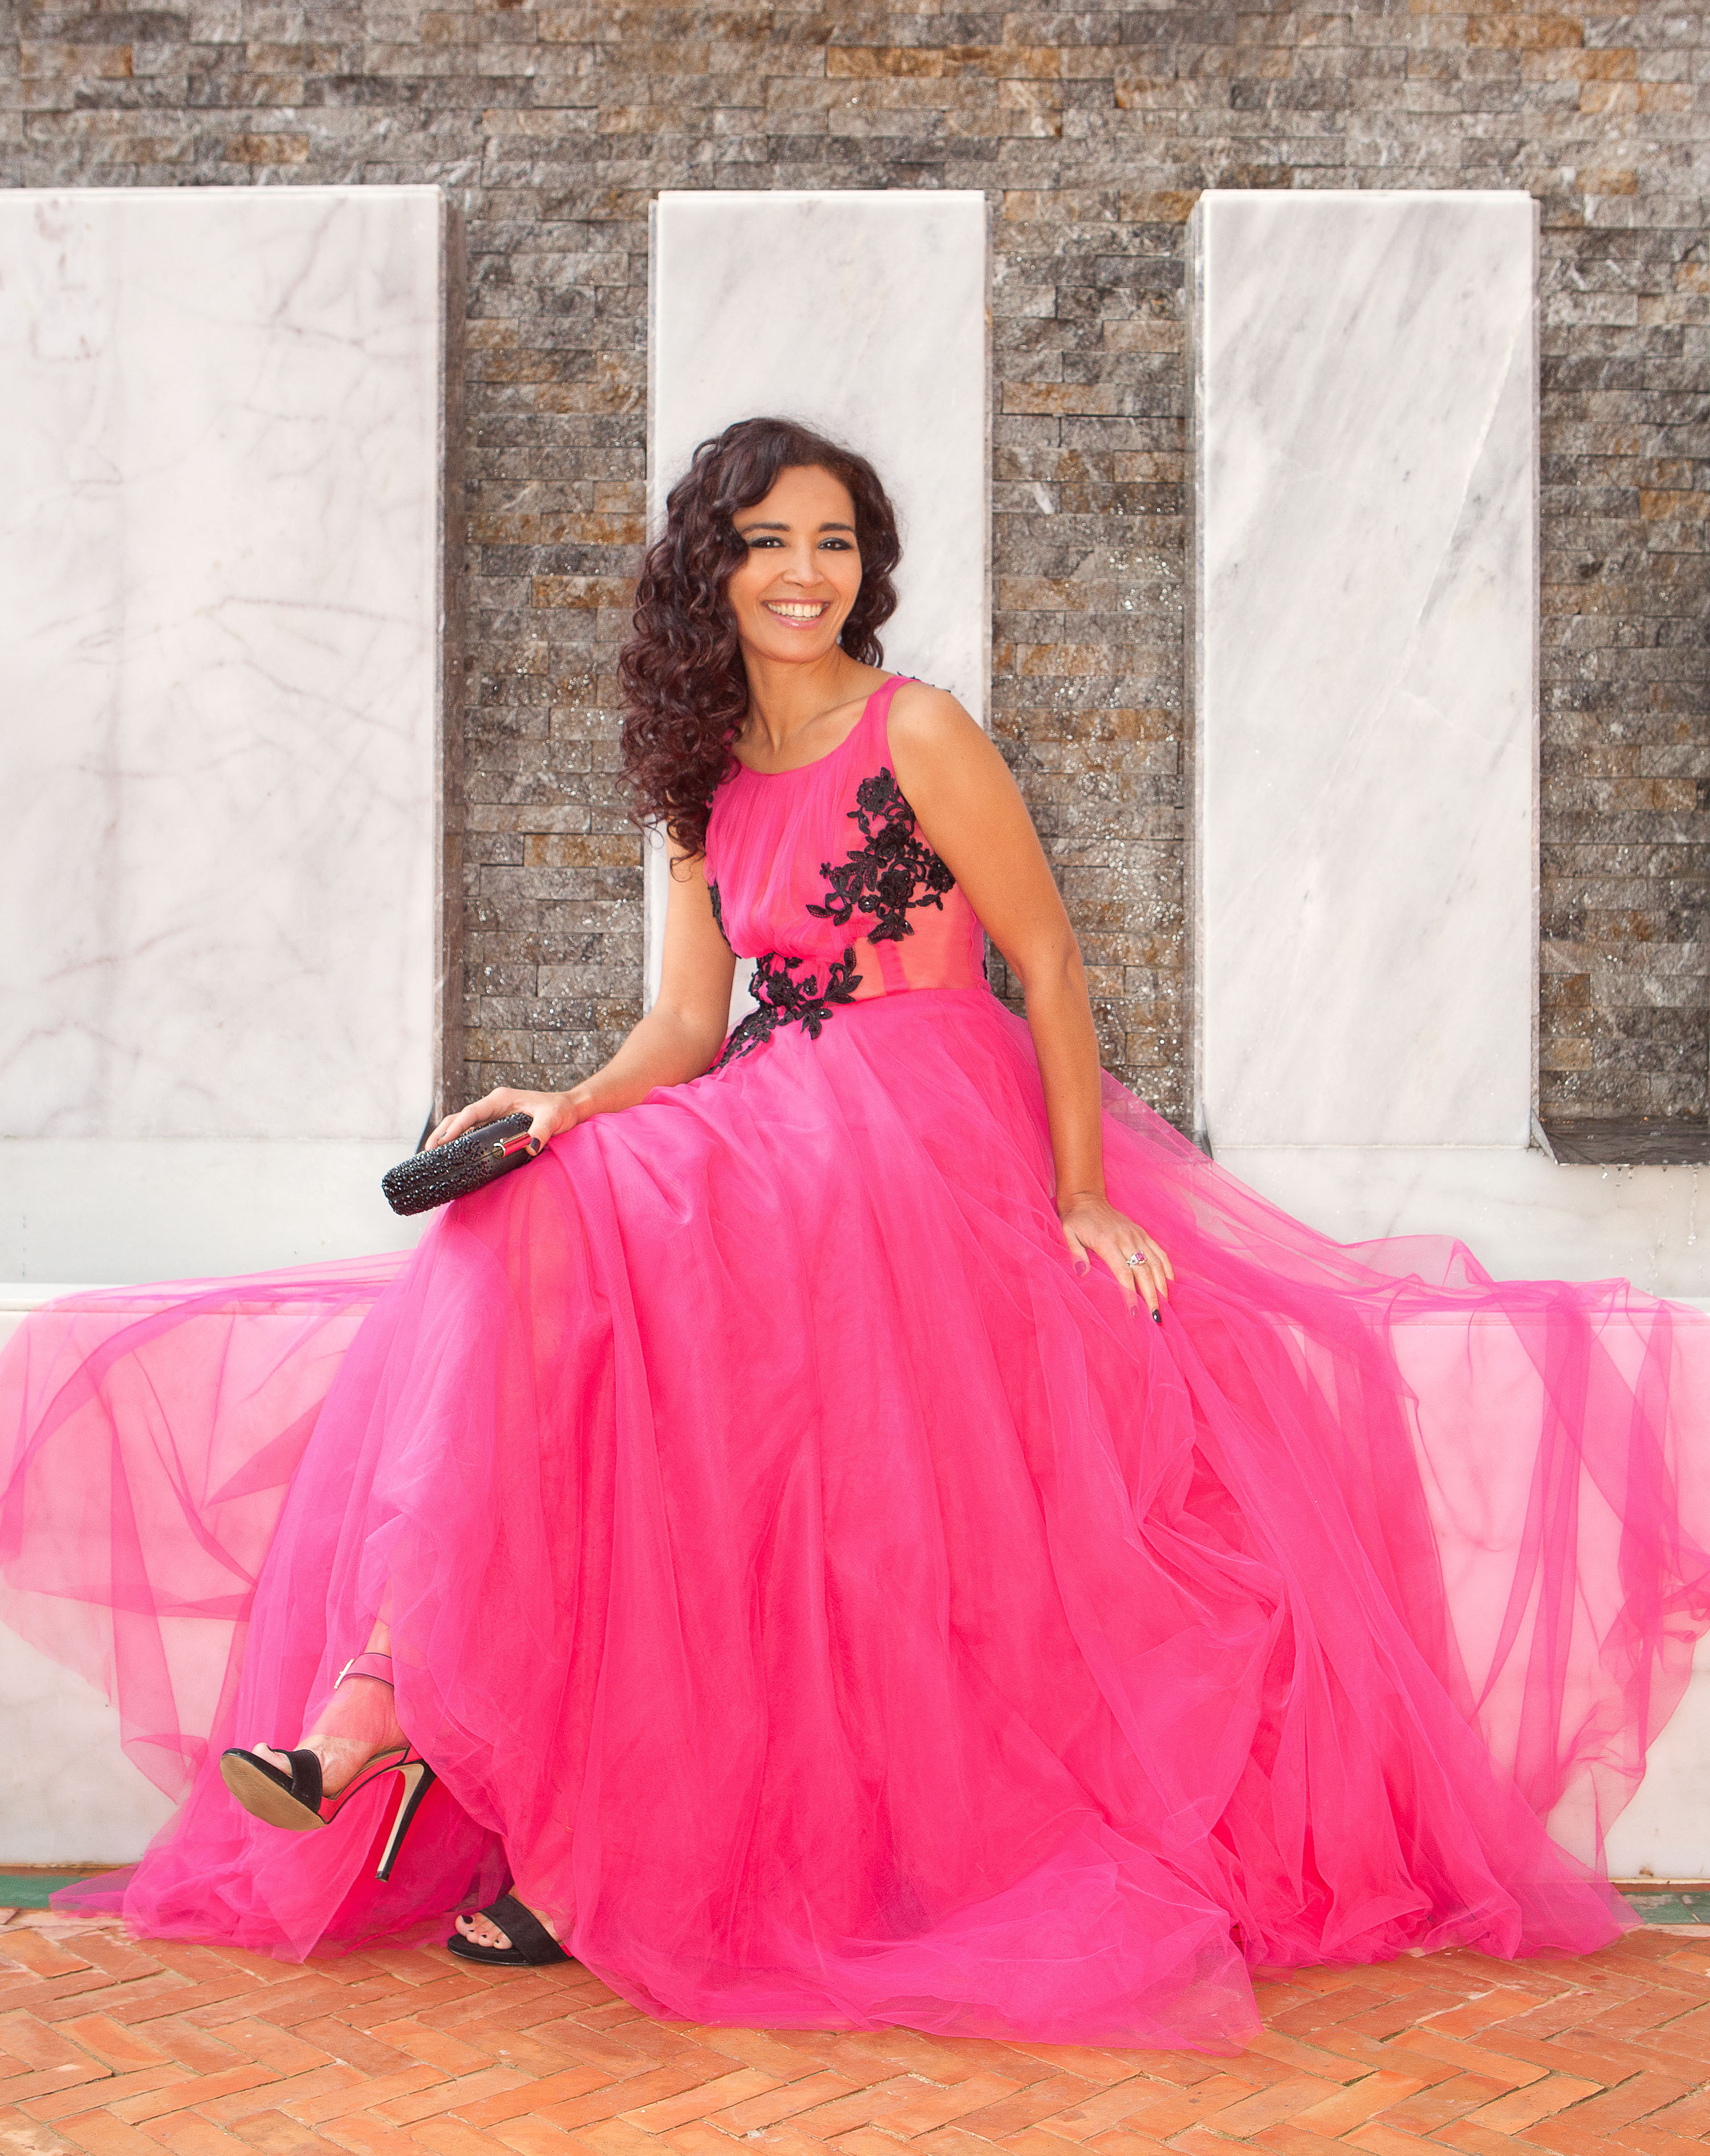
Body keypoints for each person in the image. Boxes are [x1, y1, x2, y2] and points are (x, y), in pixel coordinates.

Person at [3, 417, 1708, 2050]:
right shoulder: (701, 776)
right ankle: (411, 1716)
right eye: (769, 544)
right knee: (528, 1221)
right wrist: (566, 1103)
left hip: (927, 1122)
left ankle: (450, 1757)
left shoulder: (919, 729)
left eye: (833, 543)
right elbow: (687, 1024)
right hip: (773, 1119)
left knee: (631, 1296)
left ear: (867, 569)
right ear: (714, 571)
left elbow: (1047, 959)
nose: (805, 573)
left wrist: (1084, 1194)